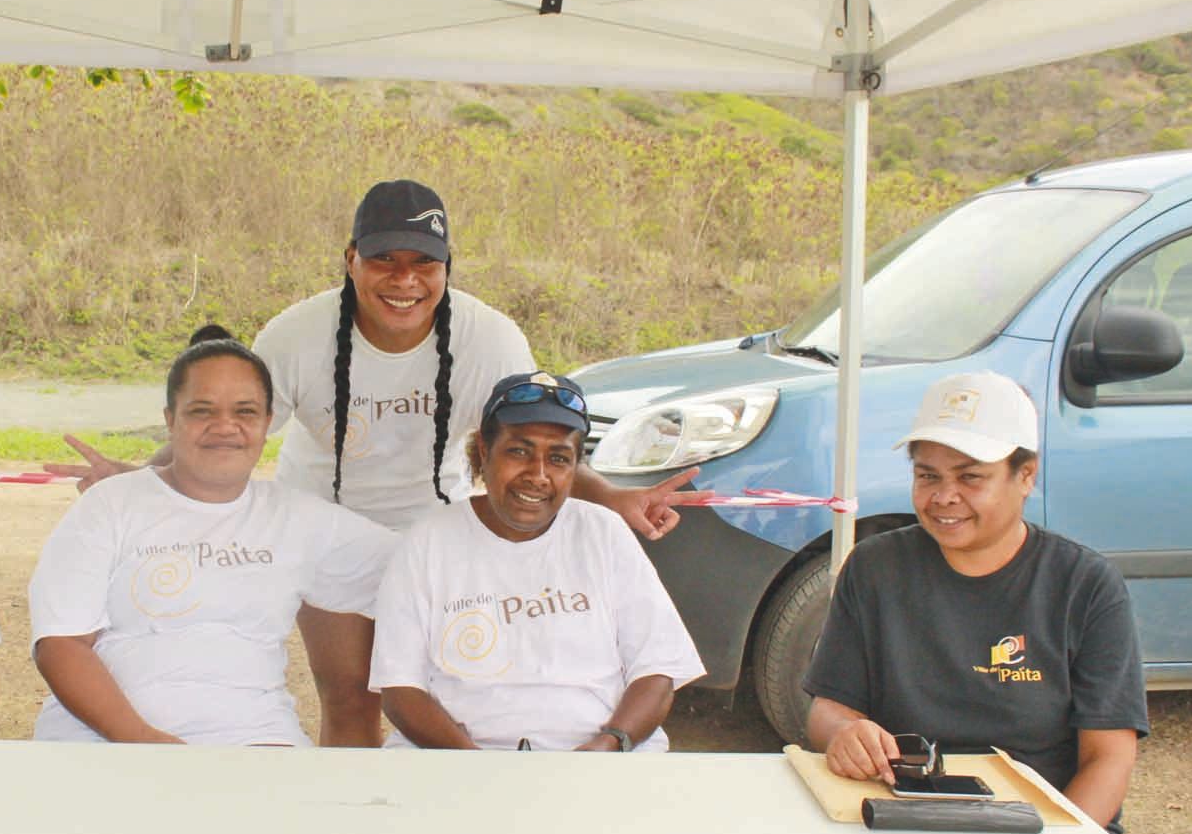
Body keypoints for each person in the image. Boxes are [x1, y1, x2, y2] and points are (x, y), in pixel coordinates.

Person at [46, 180, 706, 746]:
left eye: (424, 262)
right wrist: (142, 477)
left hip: (437, 530)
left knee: (451, 690)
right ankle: (350, 821)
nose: (404, 279)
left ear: (447, 268)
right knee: (351, 697)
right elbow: (229, 426)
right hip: (326, 523)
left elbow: (532, 441)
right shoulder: (297, 334)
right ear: (351, 261)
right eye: (384, 260)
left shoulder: (492, 338)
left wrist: (610, 495)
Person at [802, 371, 1148, 832]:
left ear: (1025, 476)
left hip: (1045, 828)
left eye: (970, 477)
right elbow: (828, 709)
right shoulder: (874, 567)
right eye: (928, 476)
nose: (944, 497)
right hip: (905, 816)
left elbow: (1109, 757)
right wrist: (844, 733)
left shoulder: (1084, 585)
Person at [30, 328, 396, 747]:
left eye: (245, 411)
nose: (226, 426)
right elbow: (60, 644)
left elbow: (427, 568)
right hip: (106, 742)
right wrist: (139, 739)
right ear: (170, 419)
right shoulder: (109, 506)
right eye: (202, 411)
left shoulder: (300, 518)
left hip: (255, 738)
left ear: (267, 421)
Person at [368, 371, 706, 751]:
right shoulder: (427, 542)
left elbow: (657, 671)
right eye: (518, 451)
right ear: (484, 451)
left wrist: (608, 745)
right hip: (458, 761)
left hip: (600, 761)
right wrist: (477, 768)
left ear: (575, 466)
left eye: (558, 458)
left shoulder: (604, 533)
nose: (537, 475)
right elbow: (400, 690)